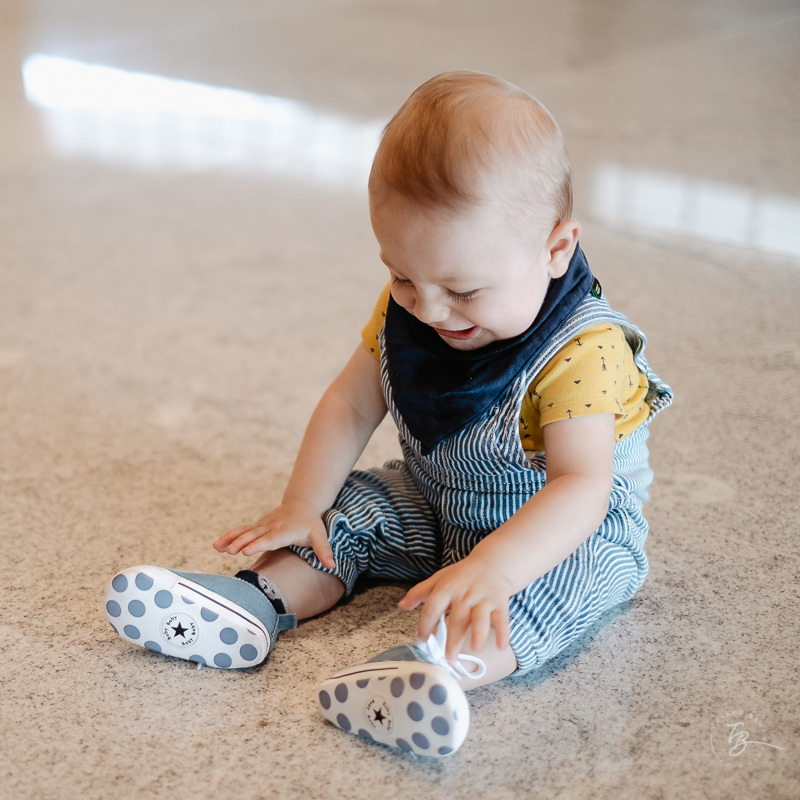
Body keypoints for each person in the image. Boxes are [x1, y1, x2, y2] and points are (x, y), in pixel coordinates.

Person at [102, 71, 673, 758]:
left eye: (462, 290)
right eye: (403, 276)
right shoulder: (413, 308)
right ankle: (254, 605)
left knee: (556, 594)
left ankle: (434, 670)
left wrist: (495, 567)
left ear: (556, 249)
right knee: (356, 511)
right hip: (434, 504)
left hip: (552, 536)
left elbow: (580, 487)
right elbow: (350, 401)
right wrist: (301, 504)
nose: (429, 311)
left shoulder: (583, 351)